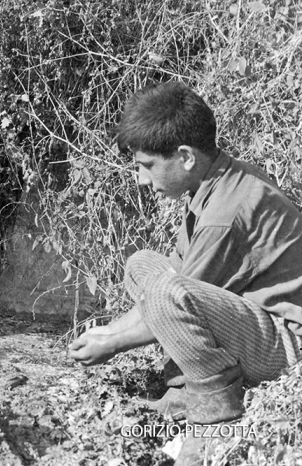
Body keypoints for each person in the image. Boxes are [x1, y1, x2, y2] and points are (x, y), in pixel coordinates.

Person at [68, 81, 302, 464]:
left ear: (185, 157)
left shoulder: (225, 216)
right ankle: (182, 389)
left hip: (287, 346)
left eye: (146, 167)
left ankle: (214, 418)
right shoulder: (219, 181)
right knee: (142, 264)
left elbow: (171, 301)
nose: (142, 180)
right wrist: (108, 330)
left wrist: (113, 344)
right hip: (256, 322)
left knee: (166, 294)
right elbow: (175, 274)